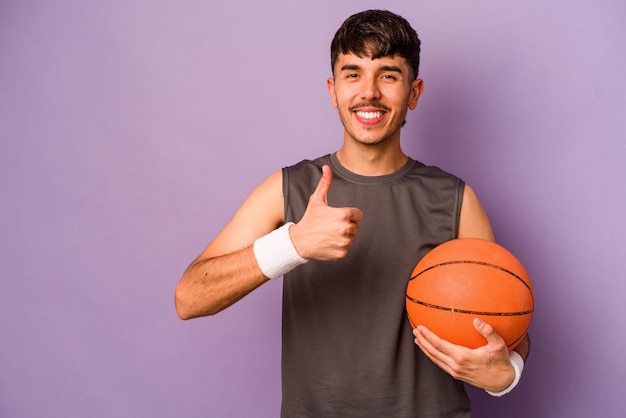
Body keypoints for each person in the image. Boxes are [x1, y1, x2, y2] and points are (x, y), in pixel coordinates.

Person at [175, 9, 530, 417]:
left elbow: (508, 322)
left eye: (388, 75)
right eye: (353, 73)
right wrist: (292, 244)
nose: (369, 92)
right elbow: (189, 297)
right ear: (333, 89)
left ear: (414, 92)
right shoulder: (287, 189)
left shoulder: (456, 199)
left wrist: (509, 374)